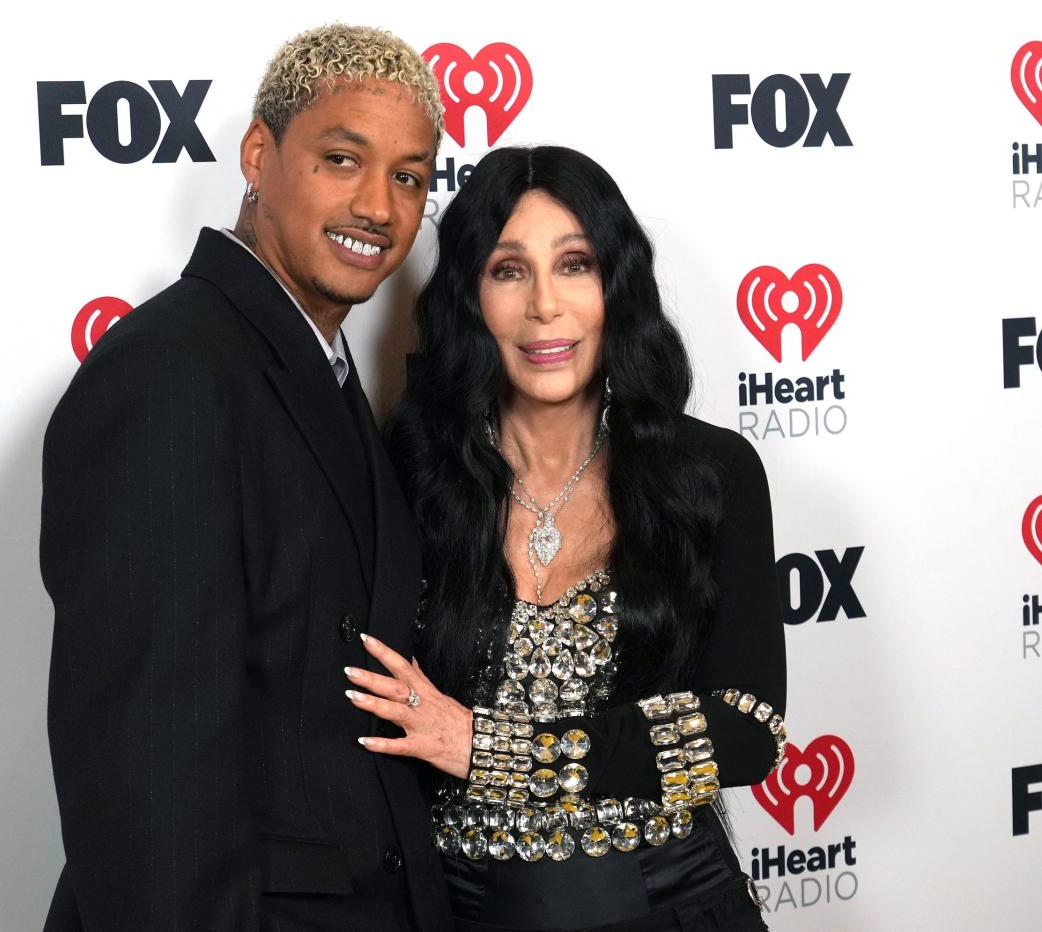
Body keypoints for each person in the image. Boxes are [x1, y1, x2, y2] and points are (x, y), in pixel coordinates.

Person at [39, 25, 454, 931]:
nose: (379, 206)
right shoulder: (169, 376)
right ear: (260, 155)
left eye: (410, 177)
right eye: (342, 159)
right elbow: (147, 772)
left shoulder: (322, 370)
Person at [346, 146, 786, 930]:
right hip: (459, 912)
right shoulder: (410, 478)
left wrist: (492, 749)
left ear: (615, 287)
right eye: (509, 270)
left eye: (575, 265)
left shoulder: (707, 473)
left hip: (673, 907)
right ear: (469, 297)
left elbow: (748, 731)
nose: (545, 306)